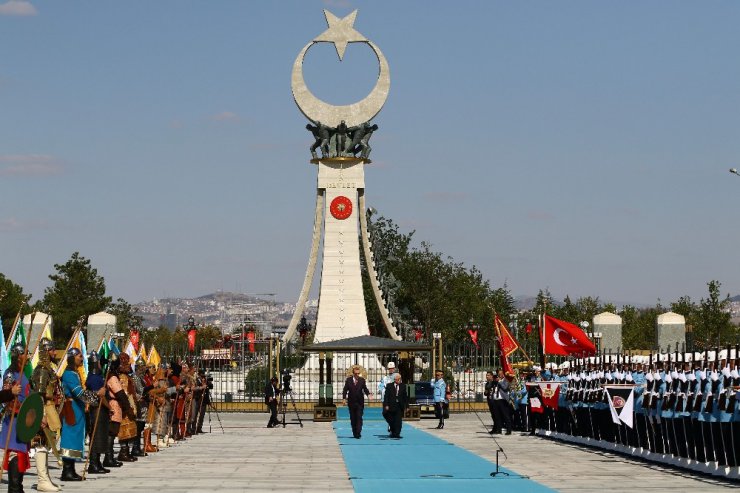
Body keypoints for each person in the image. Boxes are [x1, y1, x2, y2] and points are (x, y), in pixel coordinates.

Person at [60, 347, 103, 481]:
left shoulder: (74, 373)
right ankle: (66, 471)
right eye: (79, 356)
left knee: (76, 437)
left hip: (77, 409)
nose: (81, 358)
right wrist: (96, 395)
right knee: (70, 438)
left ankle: (71, 469)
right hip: (71, 409)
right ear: (73, 357)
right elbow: (79, 393)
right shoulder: (68, 374)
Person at [29, 337, 64, 490]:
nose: (55, 352)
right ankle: (42, 480)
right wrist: (42, 413)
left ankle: (46, 478)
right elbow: (39, 394)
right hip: (43, 407)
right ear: (46, 352)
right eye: (52, 350)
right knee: (41, 442)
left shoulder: (49, 368)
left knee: (48, 441)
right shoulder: (42, 370)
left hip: (50, 407)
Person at [1, 343, 31, 493]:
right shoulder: (10, 373)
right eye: (25, 353)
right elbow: (5, 396)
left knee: (22, 452)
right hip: (13, 419)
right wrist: (11, 391)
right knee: (15, 452)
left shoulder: (23, 374)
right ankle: (13, 489)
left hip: (24, 420)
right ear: (18, 356)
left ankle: (18, 487)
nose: (28, 356)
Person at [342, 365, 371, 439]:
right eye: (356, 374)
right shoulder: (348, 380)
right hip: (351, 402)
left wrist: (368, 395)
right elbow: (345, 390)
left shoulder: (362, 380)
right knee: (353, 418)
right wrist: (344, 398)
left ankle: (358, 432)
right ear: (353, 373)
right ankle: (354, 432)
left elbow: (365, 389)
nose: (357, 375)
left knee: (359, 417)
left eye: (358, 373)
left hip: (360, 403)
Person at [383, 373, 408, 439]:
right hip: (391, 405)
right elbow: (386, 396)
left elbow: (405, 396)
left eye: (400, 379)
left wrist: (407, 406)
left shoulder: (403, 386)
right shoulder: (389, 386)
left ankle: (397, 434)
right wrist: (386, 405)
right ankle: (393, 431)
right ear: (395, 379)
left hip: (399, 405)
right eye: (398, 379)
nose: (399, 380)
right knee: (392, 420)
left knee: (398, 421)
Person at [493, 369, 514, 435]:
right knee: (497, 416)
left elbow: (505, 389)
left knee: (506, 415)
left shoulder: (505, 380)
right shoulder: (497, 381)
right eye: (498, 374)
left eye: (501, 374)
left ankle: (509, 430)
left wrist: (499, 382)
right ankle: (499, 429)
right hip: (496, 399)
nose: (499, 375)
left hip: (503, 399)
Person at [378, 362, 396, 431]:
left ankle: (392, 426)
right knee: (385, 413)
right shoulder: (385, 378)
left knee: (392, 413)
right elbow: (380, 386)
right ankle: (390, 423)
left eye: (392, 368)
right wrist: (381, 389)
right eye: (390, 369)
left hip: (393, 398)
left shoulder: (396, 377)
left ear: (394, 369)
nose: (391, 370)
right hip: (385, 398)